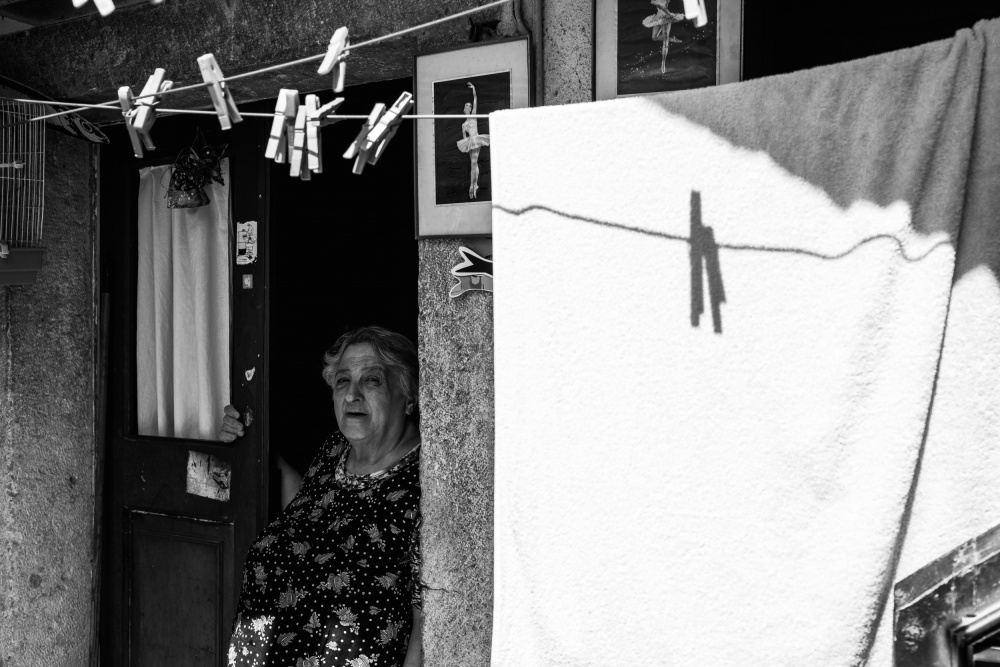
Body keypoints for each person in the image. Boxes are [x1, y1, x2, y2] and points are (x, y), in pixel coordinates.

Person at [220, 326, 423, 667]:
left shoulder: (424, 483)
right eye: (342, 381)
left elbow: (425, 626)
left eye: (371, 380)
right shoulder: (334, 450)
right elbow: (311, 520)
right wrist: (248, 443)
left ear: (410, 396)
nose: (352, 395)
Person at [455, 82, 490, 200]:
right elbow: (464, 136)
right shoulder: (464, 124)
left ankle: (473, 185)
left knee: (474, 163)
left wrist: (474, 89)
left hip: (476, 139)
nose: (469, 106)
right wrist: (466, 144)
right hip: (470, 142)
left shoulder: (474, 115)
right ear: (464, 109)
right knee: (473, 164)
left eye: (470, 105)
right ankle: (474, 185)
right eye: (467, 105)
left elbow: (475, 99)